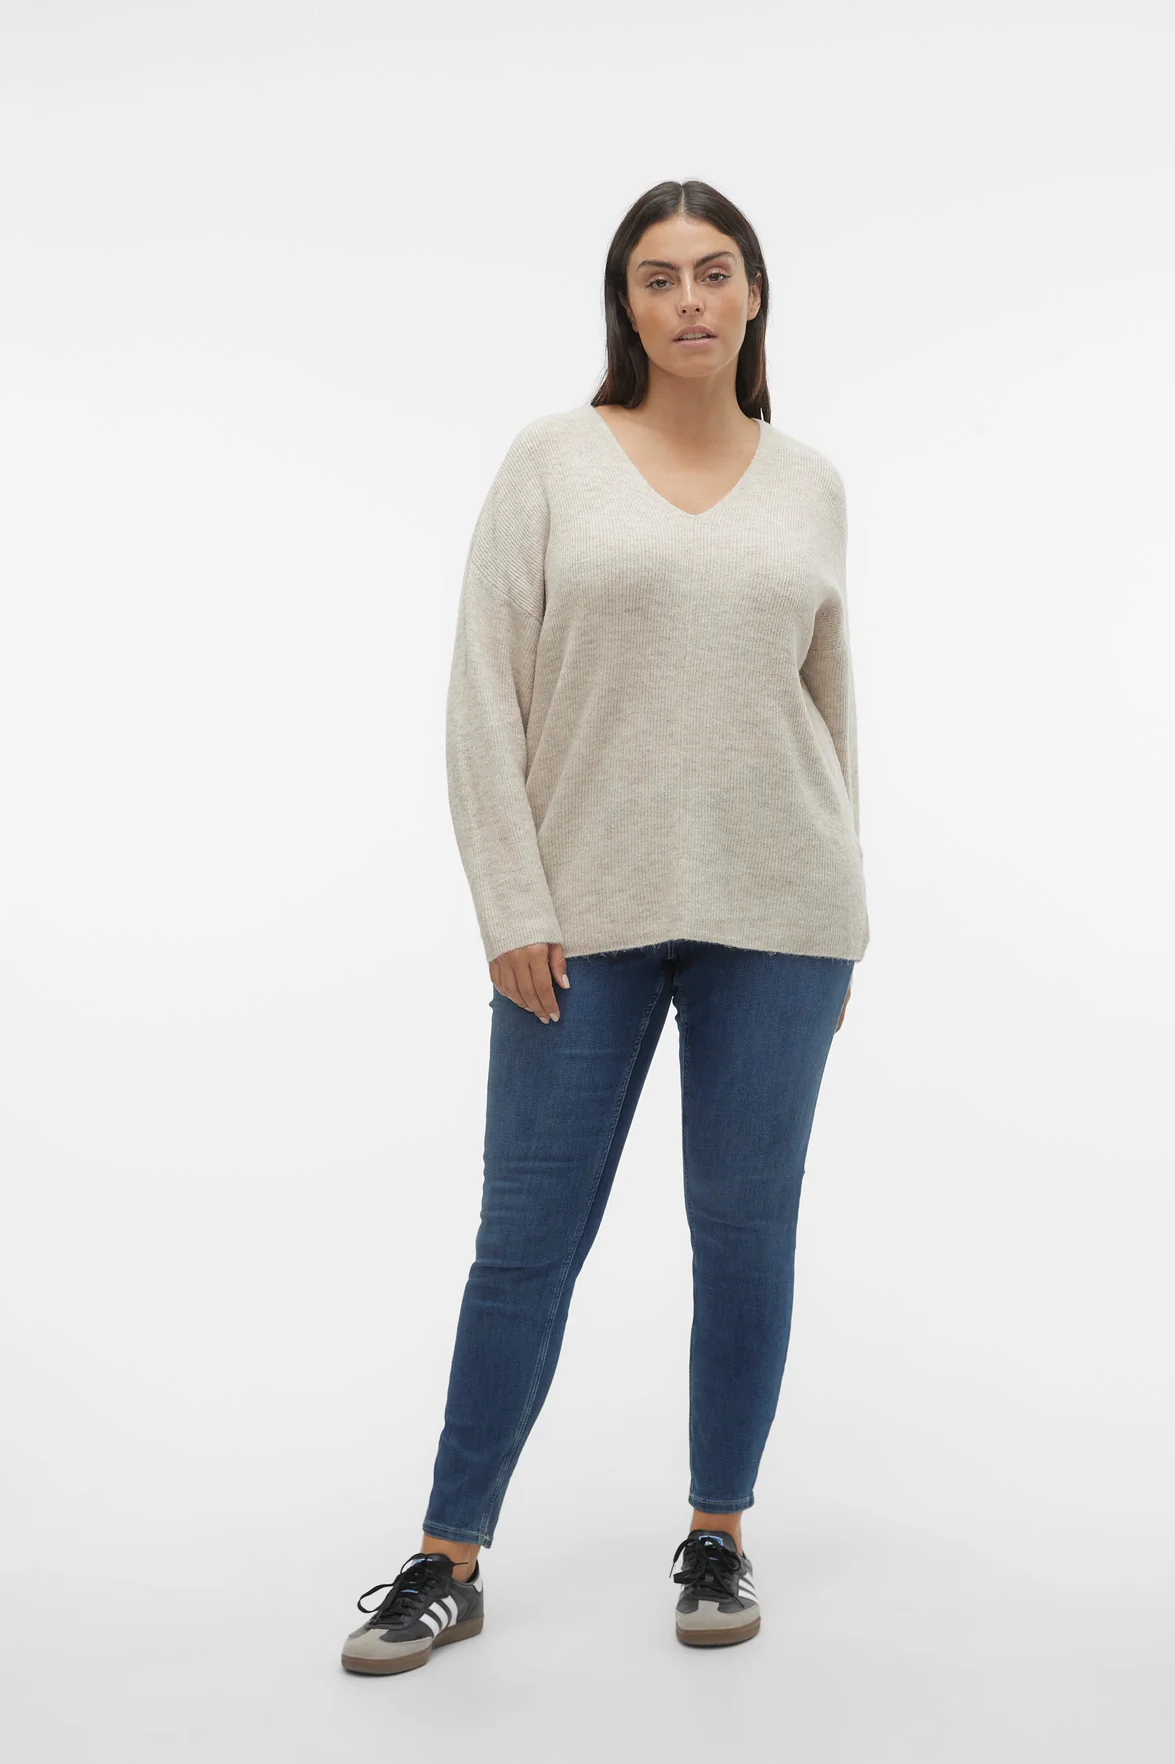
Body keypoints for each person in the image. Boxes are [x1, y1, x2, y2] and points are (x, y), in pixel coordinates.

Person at [341, 178, 869, 1674]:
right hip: (578, 921)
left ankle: (718, 1532)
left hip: (783, 912)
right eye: (657, 276)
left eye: (715, 271)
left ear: (753, 294)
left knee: (745, 1236)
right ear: (623, 304)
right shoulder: (552, 461)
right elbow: (480, 693)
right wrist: (511, 901)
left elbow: (831, 706)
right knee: (524, 1243)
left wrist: (846, 913)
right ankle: (448, 1557)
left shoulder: (810, 484)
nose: (689, 299)